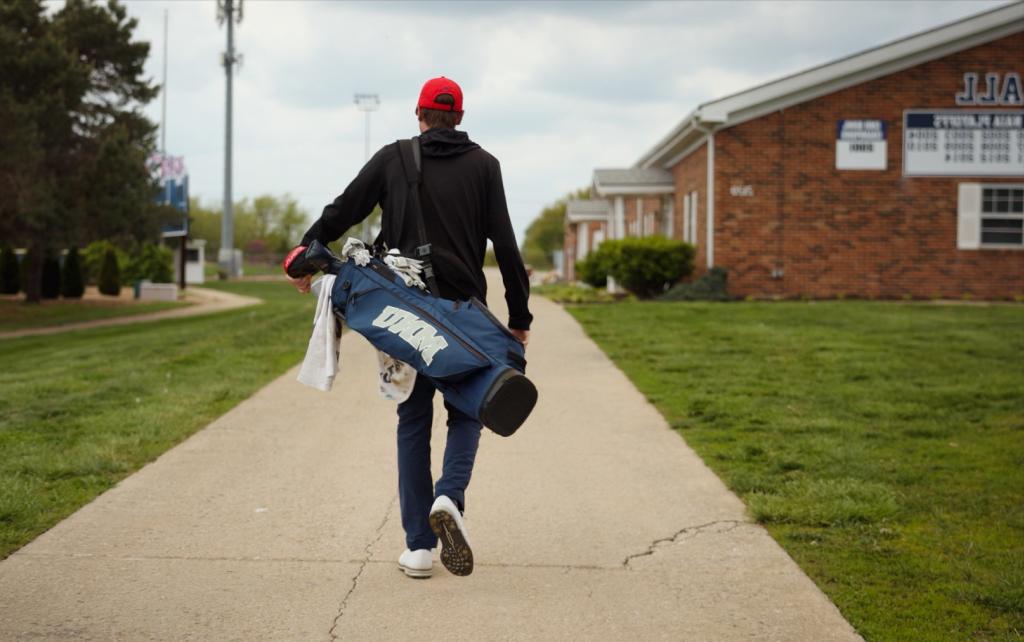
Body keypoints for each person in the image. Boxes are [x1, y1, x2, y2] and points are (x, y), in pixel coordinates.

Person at [286, 76, 532, 578]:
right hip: (465, 316)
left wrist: (303, 257)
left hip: (403, 315)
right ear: (459, 118)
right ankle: (450, 496)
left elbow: (342, 211)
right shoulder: (485, 166)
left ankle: (419, 548)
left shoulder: (393, 158)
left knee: (413, 420)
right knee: (469, 411)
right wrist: (519, 318)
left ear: (419, 115)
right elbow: (505, 245)